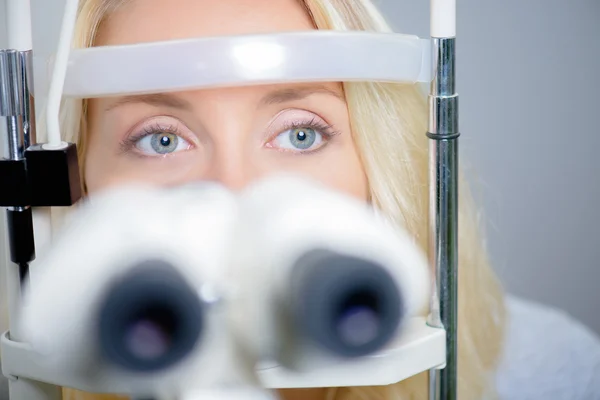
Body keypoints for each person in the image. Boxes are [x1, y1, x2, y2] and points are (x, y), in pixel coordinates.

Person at [2, 0, 599, 399]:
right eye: (162, 140)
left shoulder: (546, 371)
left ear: (377, 158)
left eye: (300, 133)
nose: (236, 192)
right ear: (75, 189)